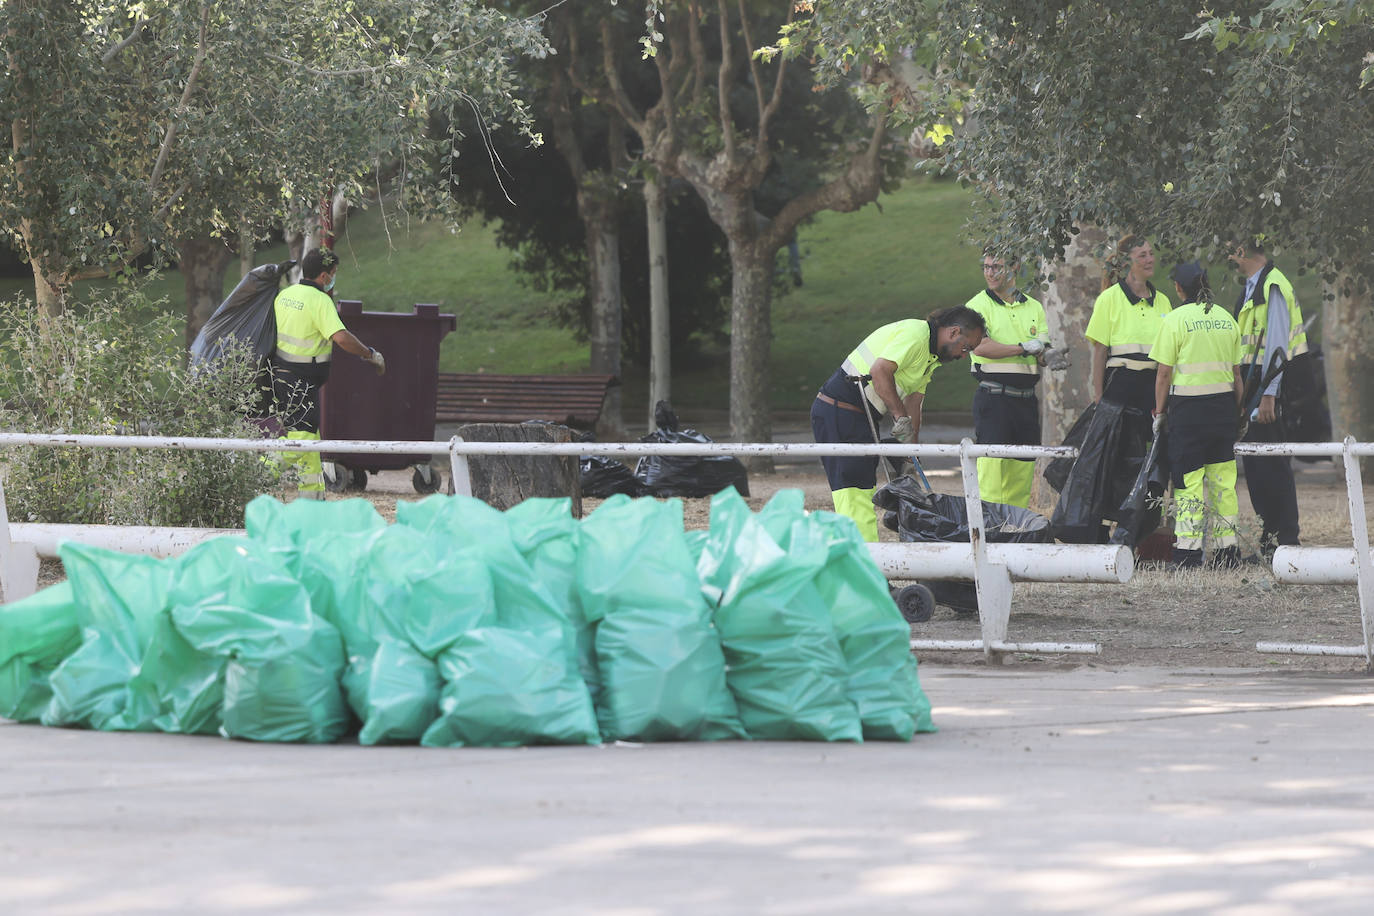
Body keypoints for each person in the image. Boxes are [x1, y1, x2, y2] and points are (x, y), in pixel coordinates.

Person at [810, 306, 988, 541]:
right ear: (954, 332)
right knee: (854, 494)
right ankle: (864, 568)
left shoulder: (930, 357)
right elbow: (880, 371)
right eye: (966, 348)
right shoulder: (916, 335)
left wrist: (909, 454)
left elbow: (914, 403)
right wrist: (899, 417)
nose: (963, 356)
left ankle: (866, 566)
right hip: (839, 411)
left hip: (858, 416)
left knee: (862, 490)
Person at [1149, 261, 1247, 570]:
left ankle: (1189, 555)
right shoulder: (1226, 319)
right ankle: (1227, 552)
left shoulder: (1175, 320)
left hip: (1188, 413)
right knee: (1223, 482)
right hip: (1222, 411)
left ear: (1179, 289)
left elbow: (1164, 374)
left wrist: (1160, 413)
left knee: (1189, 484)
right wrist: (1239, 411)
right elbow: (1236, 374)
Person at [270, 247, 386, 499]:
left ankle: (312, 499)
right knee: (301, 437)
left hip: (281, 375)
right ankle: (257, 472)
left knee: (310, 437)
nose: (333, 278)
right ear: (324, 276)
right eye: (333, 274)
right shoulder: (320, 300)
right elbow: (341, 338)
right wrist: (369, 354)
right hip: (299, 380)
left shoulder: (285, 295)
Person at [1229, 238, 1305, 556]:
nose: (1230, 259)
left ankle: (1284, 539)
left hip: (1265, 385)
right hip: (1254, 384)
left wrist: (1269, 395)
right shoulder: (1255, 286)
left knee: (1272, 465)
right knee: (1259, 467)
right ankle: (1271, 539)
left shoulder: (1272, 285)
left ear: (1242, 252)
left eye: (1232, 253)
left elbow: (1276, 344)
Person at [965, 253, 1050, 508]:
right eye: (986, 267)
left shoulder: (1034, 306)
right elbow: (980, 346)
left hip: (1026, 403)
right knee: (992, 474)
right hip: (994, 400)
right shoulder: (977, 306)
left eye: (997, 267)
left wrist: (1050, 355)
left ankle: (1016, 533)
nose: (990, 273)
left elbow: (1043, 349)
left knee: (1022, 474)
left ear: (1015, 268)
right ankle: (988, 536)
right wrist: (1023, 347)